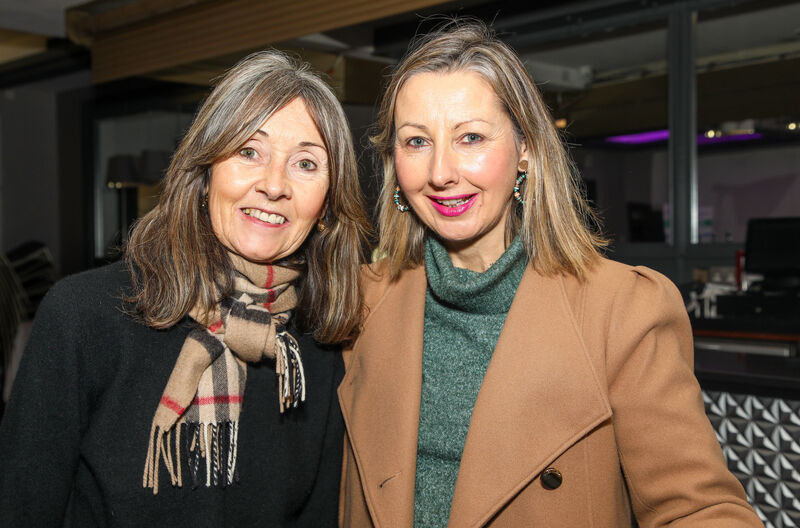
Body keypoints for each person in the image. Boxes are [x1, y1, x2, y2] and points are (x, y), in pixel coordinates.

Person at [338, 21, 763, 527]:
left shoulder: (622, 309)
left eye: (470, 137)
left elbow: (699, 509)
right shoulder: (361, 300)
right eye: (416, 142)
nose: (440, 172)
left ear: (525, 149)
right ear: (393, 162)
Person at [0, 50, 370, 527]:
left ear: (327, 202)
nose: (274, 185)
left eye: (305, 164)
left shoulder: (318, 346)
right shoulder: (84, 316)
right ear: (205, 171)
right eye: (249, 151)